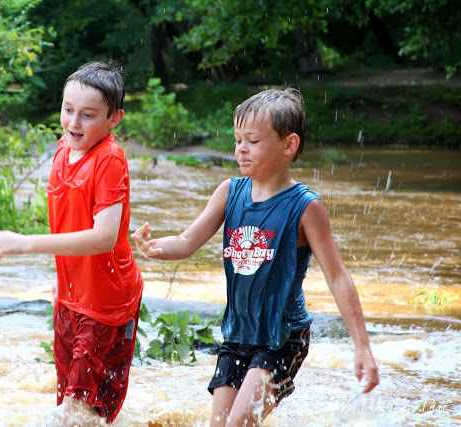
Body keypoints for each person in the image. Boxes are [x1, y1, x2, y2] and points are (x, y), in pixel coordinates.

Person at [131, 87, 379, 426]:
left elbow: (337, 275)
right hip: (237, 334)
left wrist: (362, 346)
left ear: (289, 145)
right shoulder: (229, 192)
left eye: (253, 141)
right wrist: (155, 247)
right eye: (237, 140)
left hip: (282, 338)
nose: (241, 149)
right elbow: (188, 241)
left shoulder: (306, 207)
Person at [0, 61, 143, 424]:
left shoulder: (110, 160)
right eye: (68, 110)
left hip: (107, 304)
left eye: (88, 115)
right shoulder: (63, 152)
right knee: (73, 404)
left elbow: (103, 237)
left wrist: (24, 243)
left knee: (76, 410)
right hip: (71, 299)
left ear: (114, 119)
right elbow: (68, 222)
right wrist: (61, 289)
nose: (73, 123)